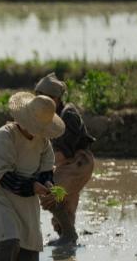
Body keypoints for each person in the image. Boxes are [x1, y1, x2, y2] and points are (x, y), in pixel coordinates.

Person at [0, 92, 65, 261]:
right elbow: (2, 176)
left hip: (26, 196)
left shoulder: (43, 141)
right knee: (10, 241)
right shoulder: (3, 137)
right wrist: (33, 186)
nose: (36, 132)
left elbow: (46, 170)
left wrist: (48, 185)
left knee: (30, 247)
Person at [34, 73, 96, 246]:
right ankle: (67, 240)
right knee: (65, 202)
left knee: (49, 193)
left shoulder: (68, 115)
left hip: (78, 162)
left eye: (47, 98)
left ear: (57, 98)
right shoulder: (48, 115)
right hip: (67, 162)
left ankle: (69, 236)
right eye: (39, 98)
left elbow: (63, 154)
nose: (43, 102)